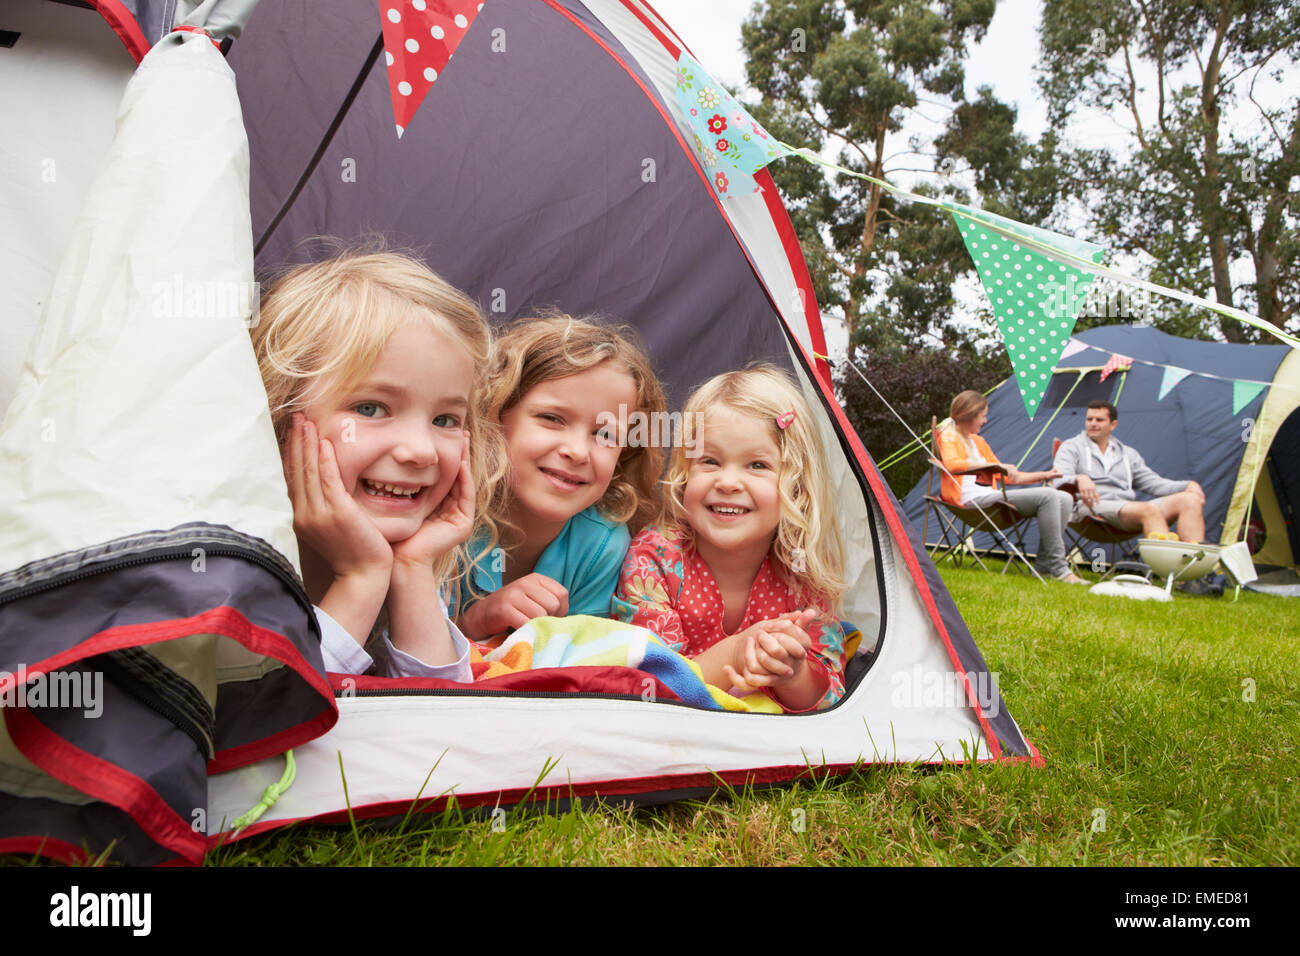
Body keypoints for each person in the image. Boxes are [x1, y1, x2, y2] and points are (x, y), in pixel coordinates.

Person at [252, 248, 500, 678]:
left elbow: (441, 731)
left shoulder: (414, 560)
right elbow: (270, 722)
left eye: (445, 419)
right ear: (277, 417)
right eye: (370, 409)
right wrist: (360, 578)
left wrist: (414, 570)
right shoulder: (234, 575)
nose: (420, 450)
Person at [612, 365, 847, 713]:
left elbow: (830, 700)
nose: (728, 482)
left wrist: (792, 673)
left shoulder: (803, 573)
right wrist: (738, 652)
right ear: (684, 471)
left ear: (795, 486)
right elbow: (650, 682)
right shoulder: (654, 558)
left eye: (757, 465)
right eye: (710, 461)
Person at [453, 316, 667, 641]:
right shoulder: (447, 514)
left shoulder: (602, 543)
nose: (578, 451)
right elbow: (401, 658)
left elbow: (580, 668)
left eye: (606, 434)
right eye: (552, 419)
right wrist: (476, 622)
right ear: (495, 414)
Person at [937, 390, 1084, 583]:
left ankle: (1045, 566)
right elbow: (952, 465)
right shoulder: (948, 436)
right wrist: (993, 466)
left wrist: (1045, 475)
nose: (985, 420)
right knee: (1048, 496)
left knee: (1063, 497)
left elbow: (1006, 477)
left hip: (991, 498)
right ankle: (1059, 568)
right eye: (983, 416)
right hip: (972, 502)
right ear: (970, 415)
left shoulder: (978, 442)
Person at [1054, 400, 1206, 541]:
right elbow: (1058, 478)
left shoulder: (1128, 454)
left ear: (1113, 424)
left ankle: (1193, 565)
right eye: (1089, 419)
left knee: (1189, 500)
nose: (1093, 424)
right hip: (1090, 509)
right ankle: (1167, 568)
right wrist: (1079, 478)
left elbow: (1154, 483)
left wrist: (1187, 486)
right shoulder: (1071, 447)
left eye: (1099, 420)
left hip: (1126, 510)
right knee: (1150, 510)